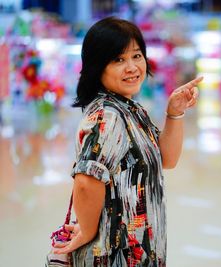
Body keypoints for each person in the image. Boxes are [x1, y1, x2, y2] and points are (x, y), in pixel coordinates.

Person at [51, 17, 202, 266]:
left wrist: (174, 113)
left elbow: (167, 158)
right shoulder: (107, 116)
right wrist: (88, 231)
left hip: (138, 250)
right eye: (118, 59)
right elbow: (87, 182)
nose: (132, 67)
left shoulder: (128, 108)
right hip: (115, 255)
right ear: (97, 66)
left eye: (136, 56)